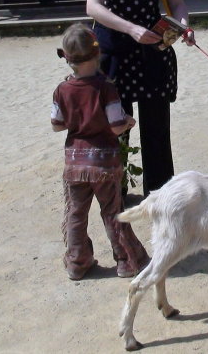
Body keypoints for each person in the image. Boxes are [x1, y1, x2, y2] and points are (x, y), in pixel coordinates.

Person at [86, 0, 195, 198]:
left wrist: (183, 25)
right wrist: (131, 28)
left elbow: (177, 3)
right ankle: (115, 194)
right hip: (115, 49)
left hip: (150, 47)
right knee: (115, 126)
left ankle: (159, 194)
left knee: (156, 127)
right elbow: (93, 7)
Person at [51, 23, 149, 281]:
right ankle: (127, 261)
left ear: (68, 59)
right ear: (98, 54)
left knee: (76, 212)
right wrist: (128, 121)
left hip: (75, 163)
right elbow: (116, 126)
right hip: (104, 161)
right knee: (112, 211)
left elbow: (56, 124)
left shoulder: (62, 89)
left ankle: (77, 262)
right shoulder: (106, 87)